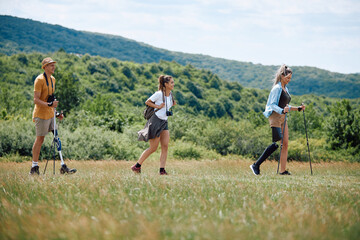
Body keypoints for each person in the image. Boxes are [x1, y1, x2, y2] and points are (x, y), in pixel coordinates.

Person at [250, 64, 305, 175]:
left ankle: (283, 171)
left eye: (290, 78)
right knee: (276, 143)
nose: (289, 80)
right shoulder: (277, 88)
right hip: (275, 116)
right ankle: (255, 165)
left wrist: (297, 108)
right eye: (287, 78)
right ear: (282, 76)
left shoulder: (285, 89)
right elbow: (272, 104)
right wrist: (282, 111)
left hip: (283, 118)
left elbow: (286, 106)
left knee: (285, 144)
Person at [30, 57, 76, 175]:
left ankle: (63, 166)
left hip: (50, 114)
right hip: (40, 114)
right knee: (40, 139)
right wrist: (50, 104)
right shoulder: (39, 80)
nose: (53, 67)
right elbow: (36, 100)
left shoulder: (53, 80)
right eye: (51, 65)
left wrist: (56, 113)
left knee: (57, 138)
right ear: (45, 67)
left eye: (53, 65)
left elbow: (50, 98)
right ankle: (34, 167)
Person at [132, 75, 175, 175]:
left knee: (165, 146)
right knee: (153, 148)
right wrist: (158, 106)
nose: (173, 84)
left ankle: (162, 171)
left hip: (164, 122)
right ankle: (136, 166)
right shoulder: (159, 94)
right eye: (171, 82)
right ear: (166, 84)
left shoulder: (170, 94)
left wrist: (172, 104)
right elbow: (147, 102)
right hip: (156, 121)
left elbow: (169, 105)